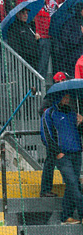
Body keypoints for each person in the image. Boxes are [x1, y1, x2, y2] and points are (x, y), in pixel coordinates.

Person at [41, 92, 83, 224]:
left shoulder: (73, 113)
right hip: (63, 155)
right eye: (64, 97)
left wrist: (81, 122)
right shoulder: (49, 113)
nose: (67, 99)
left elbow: (79, 132)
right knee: (73, 184)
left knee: (72, 185)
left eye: (68, 97)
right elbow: (46, 135)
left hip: (76, 153)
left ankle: (66, 216)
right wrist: (57, 152)